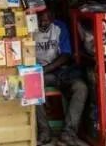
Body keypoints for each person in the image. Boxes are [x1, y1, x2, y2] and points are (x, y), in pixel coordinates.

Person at [35, 10, 88, 146]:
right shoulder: (30, 29)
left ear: (52, 18)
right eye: (40, 20)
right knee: (32, 88)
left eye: (46, 20)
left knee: (81, 88)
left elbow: (66, 54)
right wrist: (39, 71)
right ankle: (44, 132)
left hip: (60, 71)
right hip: (40, 73)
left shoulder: (59, 27)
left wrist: (46, 69)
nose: (42, 23)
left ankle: (68, 134)